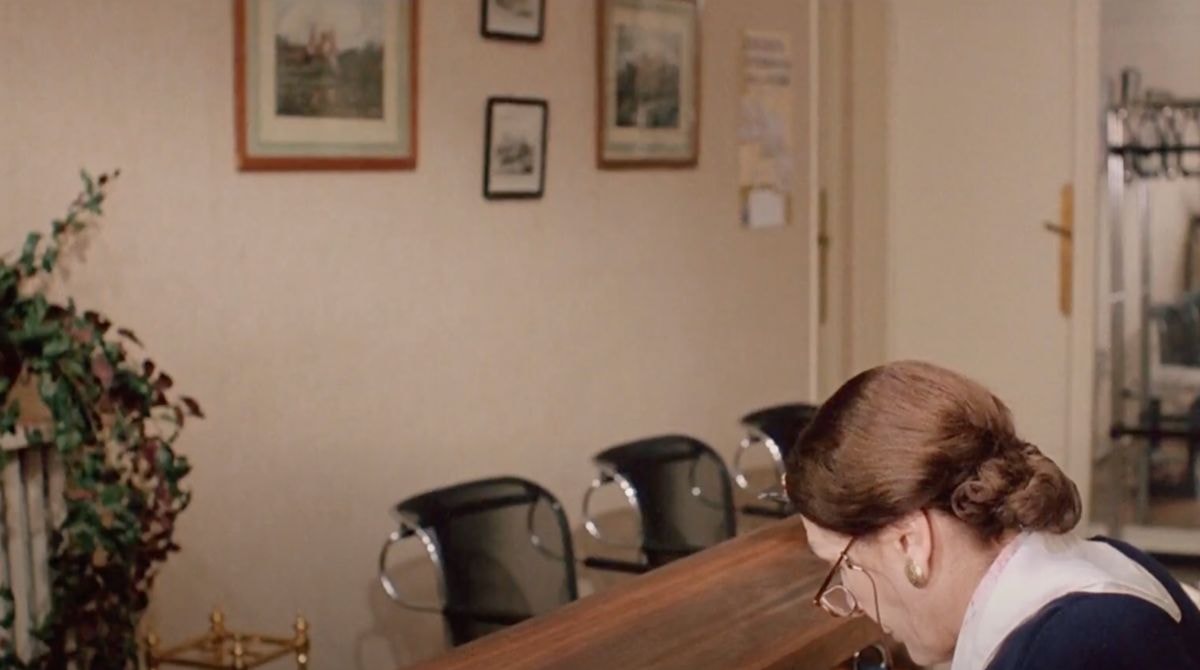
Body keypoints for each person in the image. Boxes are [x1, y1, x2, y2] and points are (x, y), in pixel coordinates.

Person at [784, 361, 1200, 669]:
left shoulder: (1073, 649)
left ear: (910, 541)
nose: (853, 604)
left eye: (845, 564)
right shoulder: (1104, 569)